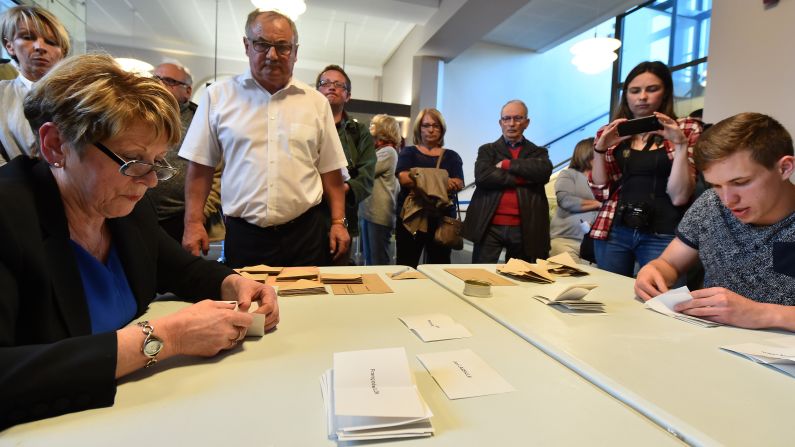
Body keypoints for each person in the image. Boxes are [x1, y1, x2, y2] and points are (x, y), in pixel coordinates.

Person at [0, 53, 280, 430]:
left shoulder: (124, 209)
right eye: (132, 161)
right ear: (55, 145)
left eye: (157, 162)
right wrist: (163, 338)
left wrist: (234, 282)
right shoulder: (8, 217)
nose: (150, 181)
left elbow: (179, 268)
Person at [179, 10, 349, 268]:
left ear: (295, 51)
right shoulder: (218, 97)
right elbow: (200, 167)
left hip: (306, 234)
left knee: (309, 304)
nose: (272, 55)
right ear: (247, 46)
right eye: (262, 44)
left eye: (282, 47)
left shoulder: (316, 102)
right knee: (249, 306)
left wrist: (338, 222)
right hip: (245, 236)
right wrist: (193, 223)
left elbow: (330, 171)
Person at [635, 112, 795, 330]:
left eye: (741, 182)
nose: (728, 200)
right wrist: (654, 270)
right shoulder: (711, 204)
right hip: (710, 346)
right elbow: (669, 263)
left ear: (784, 168)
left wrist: (764, 314)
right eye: (716, 185)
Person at [589, 61, 702, 277]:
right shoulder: (610, 132)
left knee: (663, 302)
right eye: (634, 91)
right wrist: (600, 149)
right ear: (626, 95)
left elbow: (680, 197)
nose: (642, 97)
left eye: (652, 89)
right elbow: (601, 191)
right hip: (615, 228)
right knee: (609, 298)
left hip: (665, 232)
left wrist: (680, 145)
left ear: (665, 92)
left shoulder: (686, 128)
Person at [463, 100, 552, 263]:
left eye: (518, 118)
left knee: (520, 279)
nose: (512, 124)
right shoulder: (487, 150)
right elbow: (482, 177)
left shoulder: (538, 152)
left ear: (527, 122)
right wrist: (525, 177)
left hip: (525, 227)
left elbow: (543, 172)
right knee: (480, 275)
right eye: (506, 118)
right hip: (489, 226)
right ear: (500, 122)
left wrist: (506, 164)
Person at [147, 62, 225, 243]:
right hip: (136, 214)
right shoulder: (138, 116)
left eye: (168, 81)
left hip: (182, 220)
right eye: (155, 78)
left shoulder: (201, 120)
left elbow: (218, 175)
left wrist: (198, 216)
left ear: (188, 91)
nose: (158, 84)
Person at [316, 64, 376, 263]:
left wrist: (340, 188)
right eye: (325, 83)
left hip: (344, 218)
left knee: (337, 278)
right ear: (316, 91)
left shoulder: (359, 133)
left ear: (348, 95)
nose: (331, 87)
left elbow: (367, 176)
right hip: (304, 217)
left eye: (338, 84)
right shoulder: (305, 127)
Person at [395, 108, 464, 268]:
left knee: (439, 268)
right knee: (406, 266)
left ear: (442, 129)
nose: (431, 129)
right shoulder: (409, 153)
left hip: (442, 220)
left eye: (436, 125)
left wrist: (419, 177)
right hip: (410, 218)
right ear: (419, 128)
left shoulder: (452, 156)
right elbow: (404, 179)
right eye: (426, 125)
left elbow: (458, 183)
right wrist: (442, 180)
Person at [0, 5, 69, 165]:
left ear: (62, 52)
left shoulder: (80, 95)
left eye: (51, 42)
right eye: (27, 37)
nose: (40, 47)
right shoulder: (2, 94)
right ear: (10, 46)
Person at [549, 138, 601, 262]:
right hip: (566, 241)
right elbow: (566, 201)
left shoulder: (605, 179)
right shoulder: (568, 174)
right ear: (586, 153)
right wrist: (600, 204)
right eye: (598, 152)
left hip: (595, 245)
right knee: (566, 279)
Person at [359, 114, 400, 265]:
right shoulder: (378, 150)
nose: (370, 126)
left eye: (374, 124)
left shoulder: (389, 152)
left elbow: (366, 169)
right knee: (368, 259)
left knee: (378, 261)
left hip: (379, 214)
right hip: (369, 212)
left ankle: (383, 288)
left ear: (384, 129)